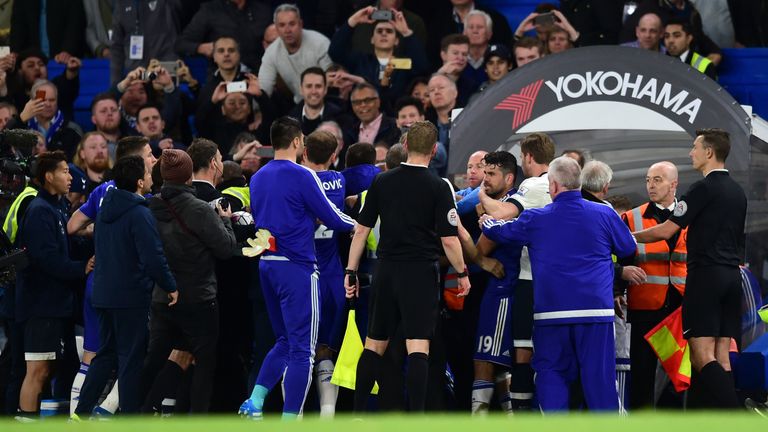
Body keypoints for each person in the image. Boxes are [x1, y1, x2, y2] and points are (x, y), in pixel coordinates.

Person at [480, 156, 637, 411]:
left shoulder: (536, 218)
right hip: (595, 313)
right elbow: (627, 246)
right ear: (579, 183)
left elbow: (499, 231)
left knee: (552, 376)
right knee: (600, 381)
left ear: (552, 186)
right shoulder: (604, 213)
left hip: (551, 314)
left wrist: (487, 222)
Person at [345, 121, 470, 413]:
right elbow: (449, 239)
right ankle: (415, 418)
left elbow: (361, 231)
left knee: (374, 345)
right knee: (418, 347)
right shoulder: (438, 186)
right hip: (420, 273)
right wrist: (462, 272)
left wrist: (350, 271)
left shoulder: (381, 181)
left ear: (405, 147)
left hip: (386, 271)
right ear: (434, 150)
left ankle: (355, 415)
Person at [239, 117, 355, 419]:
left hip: (267, 264)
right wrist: (358, 225)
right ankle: (291, 419)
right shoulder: (303, 175)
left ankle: (255, 401)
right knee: (303, 349)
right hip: (297, 267)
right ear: (296, 142)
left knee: (284, 341)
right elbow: (332, 217)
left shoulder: (258, 176)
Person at [632, 129, 747, 409]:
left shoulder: (702, 188)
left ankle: (737, 417)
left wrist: (628, 236)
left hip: (706, 278)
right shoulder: (738, 191)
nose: (690, 153)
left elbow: (668, 228)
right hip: (732, 278)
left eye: (695, 148)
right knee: (721, 356)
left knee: (701, 356)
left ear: (709, 152)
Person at [73, 155, 177, 418]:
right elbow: (153, 256)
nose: (153, 177)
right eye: (149, 174)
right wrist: (169, 285)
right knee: (130, 361)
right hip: (130, 297)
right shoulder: (139, 213)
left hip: (104, 294)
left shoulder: (105, 207)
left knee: (105, 355)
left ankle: (80, 413)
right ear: (140, 182)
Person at [143, 149, 237, 413]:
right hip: (199, 300)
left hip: (162, 298)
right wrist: (226, 220)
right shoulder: (198, 208)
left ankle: (137, 413)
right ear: (188, 175)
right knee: (203, 368)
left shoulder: (149, 206)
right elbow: (226, 249)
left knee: (155, 361)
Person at [478, 132, 555, 410]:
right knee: (550, 353)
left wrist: (482, 197)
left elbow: (502, 214)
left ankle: (523, 415)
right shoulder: (562, 183)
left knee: (523, 352)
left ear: (529, 157)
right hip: (556, 281)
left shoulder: (533, 185)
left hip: (529, 279)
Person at [15, 151, 90, 419]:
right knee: (37, 370)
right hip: (41, 306)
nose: (69, 177)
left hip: (57, 305)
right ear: (49, 176)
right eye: (64, 172)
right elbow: (47, 260)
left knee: (55, 368)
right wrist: (83, 267)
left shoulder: (55, 208)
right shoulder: (39, 211)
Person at [619, 161, 685, 409]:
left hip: (679, 309)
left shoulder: (692, 216)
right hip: (646, 307)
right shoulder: (632, 217)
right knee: (642, 375)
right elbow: (621, 258)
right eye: (648, 179)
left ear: (673, 184)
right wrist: (617, 288)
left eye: (657, 179)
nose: (651, 185)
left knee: (677, 376)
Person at [300, 130, 351, 417]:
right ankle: (328, 414)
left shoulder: (298, 180)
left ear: (304, 153)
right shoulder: (340, 180)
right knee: (325, 349)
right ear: (334, 156)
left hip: (304, 273)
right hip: (332, 275)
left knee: (296, 349)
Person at [470, 151, 520, 415]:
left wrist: (477, 259)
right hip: (496, 289)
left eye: (491, 174)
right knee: (500, 361)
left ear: (509, 178)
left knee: (485, 359)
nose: (484, 179)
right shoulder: (498, 202)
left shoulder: (510, 204)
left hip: (504, 290)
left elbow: (480, 249)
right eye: (483, 172)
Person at [329, 6, 428, 111]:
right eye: (379, 31)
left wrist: (406, 32)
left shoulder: (403, 63)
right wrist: (353, 21)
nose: (384, 33)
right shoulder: (361, 61)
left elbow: (422, 68)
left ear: (396, 41)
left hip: (395, 118)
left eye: (389, 31)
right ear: (372, 39)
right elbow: (335, 52)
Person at [258, 4, 332, 103]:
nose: (287, 30)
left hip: (327, 99)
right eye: (282, 25)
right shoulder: (271, 52)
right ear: (276, 28)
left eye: (292, 24)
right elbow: (264, 88)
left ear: (300, 24)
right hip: (300, 104)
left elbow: (332, 79)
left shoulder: (320, 43)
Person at [177, 0, 271, 72]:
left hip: (257, 76)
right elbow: (181, 44)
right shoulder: (210, 10)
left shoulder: (264, 11)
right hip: (221, 79)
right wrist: (200, 48)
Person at [288, 67, 343, 136]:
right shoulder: (290, 119)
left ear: (325, 89)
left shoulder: (340, 116)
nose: (313, 91)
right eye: (309, 86)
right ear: (301, 89)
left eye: (318, 86)